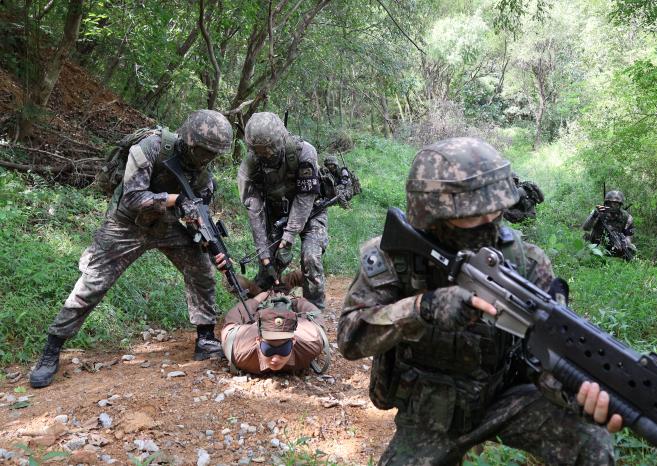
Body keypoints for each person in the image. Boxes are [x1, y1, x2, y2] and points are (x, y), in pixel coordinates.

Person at [337, 137, 621, 465]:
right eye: (473, 215)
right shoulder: (393, 257)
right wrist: (421, 309)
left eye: (496, 211)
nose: (489, 224)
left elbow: (546, 355)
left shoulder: (525, 260)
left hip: (506, 398)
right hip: (433, 412)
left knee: (592, 443)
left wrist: (573, 389)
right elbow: (349, 338)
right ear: (433, 214)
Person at [30, 110, 233, 389]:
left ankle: (206, 338)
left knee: (202, 271)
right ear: (188, 139)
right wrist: (176, 199)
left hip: (168, 227)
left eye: (212, 154)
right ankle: (52, 349)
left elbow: (199, 218)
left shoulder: (203, 178)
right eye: (203, 150)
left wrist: (210, 245)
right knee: (92, 283)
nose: (206, 158)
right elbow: (134, 197)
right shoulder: (151, 147)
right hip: (127, 224)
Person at [237, 112, 328, 309]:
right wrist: (263, 251)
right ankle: (260, 306)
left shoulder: (304, 152)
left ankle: (314, 311)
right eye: (260, 150)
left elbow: (305, 199)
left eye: (270, 148)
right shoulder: (250, 165)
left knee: (311, 258)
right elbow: (254, 210)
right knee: (269, 267)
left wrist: (288, 237)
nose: (267, 154)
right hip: (277, 216)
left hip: (311, 212)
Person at [220, 290, 327, 374]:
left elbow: (315, 316)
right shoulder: (240, 351)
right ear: (258, 341)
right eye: (269, 349)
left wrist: (294, 300)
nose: (275, 359)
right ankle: (264, 292)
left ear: (293, 341)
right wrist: (258, 299)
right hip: (253, 329)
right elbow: (233, 319)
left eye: (283, 349)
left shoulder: (312, 342)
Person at [582, 190, 635, 259]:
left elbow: (629, 235)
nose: (613, 206)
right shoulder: (599, 212)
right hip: (596, 244)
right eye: (610, 203)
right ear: (606, 203)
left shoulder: (626, 217)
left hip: (616, 245)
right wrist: (595, 215)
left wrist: (625, 243)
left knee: (632, 248)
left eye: (616, 204)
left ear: (620, 205)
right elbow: (586, 228)